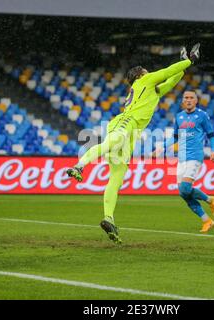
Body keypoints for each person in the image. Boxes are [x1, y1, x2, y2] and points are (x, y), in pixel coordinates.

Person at [66, 44, 201, 244]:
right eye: (146, 72)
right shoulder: (144, 80)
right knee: (113, 141)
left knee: (117, 178)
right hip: (126, 121)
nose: (149, 73)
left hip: (132, 132)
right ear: (140, 75)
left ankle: (108, 218)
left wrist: (184, 64)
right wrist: (189, 61)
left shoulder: (151, 91)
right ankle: (79, 166)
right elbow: (167, 72)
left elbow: (173, 79)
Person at [159, 90, 214, 233]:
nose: (189, 100)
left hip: (195, 157)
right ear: (183, 101)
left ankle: (210, 199)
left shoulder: (202, 115)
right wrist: (162, 147)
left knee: (186, 188)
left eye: (191, 98)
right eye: (186, 97)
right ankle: (207, 220)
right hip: (182, 158)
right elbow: (174, 137)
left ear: (196, 100)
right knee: (183, 193)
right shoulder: (179, 117)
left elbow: (211, 135)